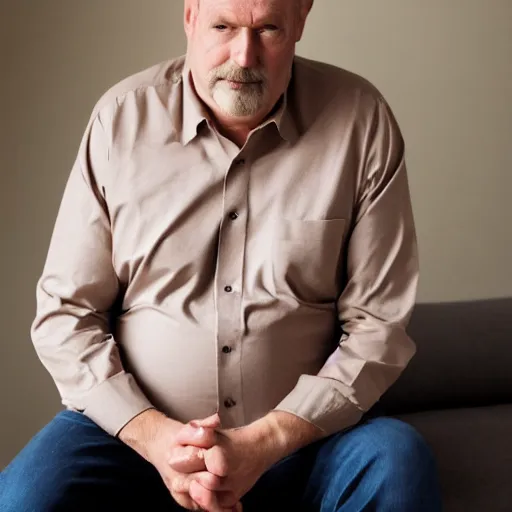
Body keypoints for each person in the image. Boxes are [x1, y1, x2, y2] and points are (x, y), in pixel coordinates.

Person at [0, 0, 442, 510]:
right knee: (25, 497)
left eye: (268, 29)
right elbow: (65, 314)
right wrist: (156, 438)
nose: (243, 54)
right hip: (133, 445)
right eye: (223, 26)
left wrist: (267, 441)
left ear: (301, 19)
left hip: (305, 446)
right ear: (190, 16)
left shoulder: (360, 121)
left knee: (398, 458)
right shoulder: (120, 122)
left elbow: (377, 325)